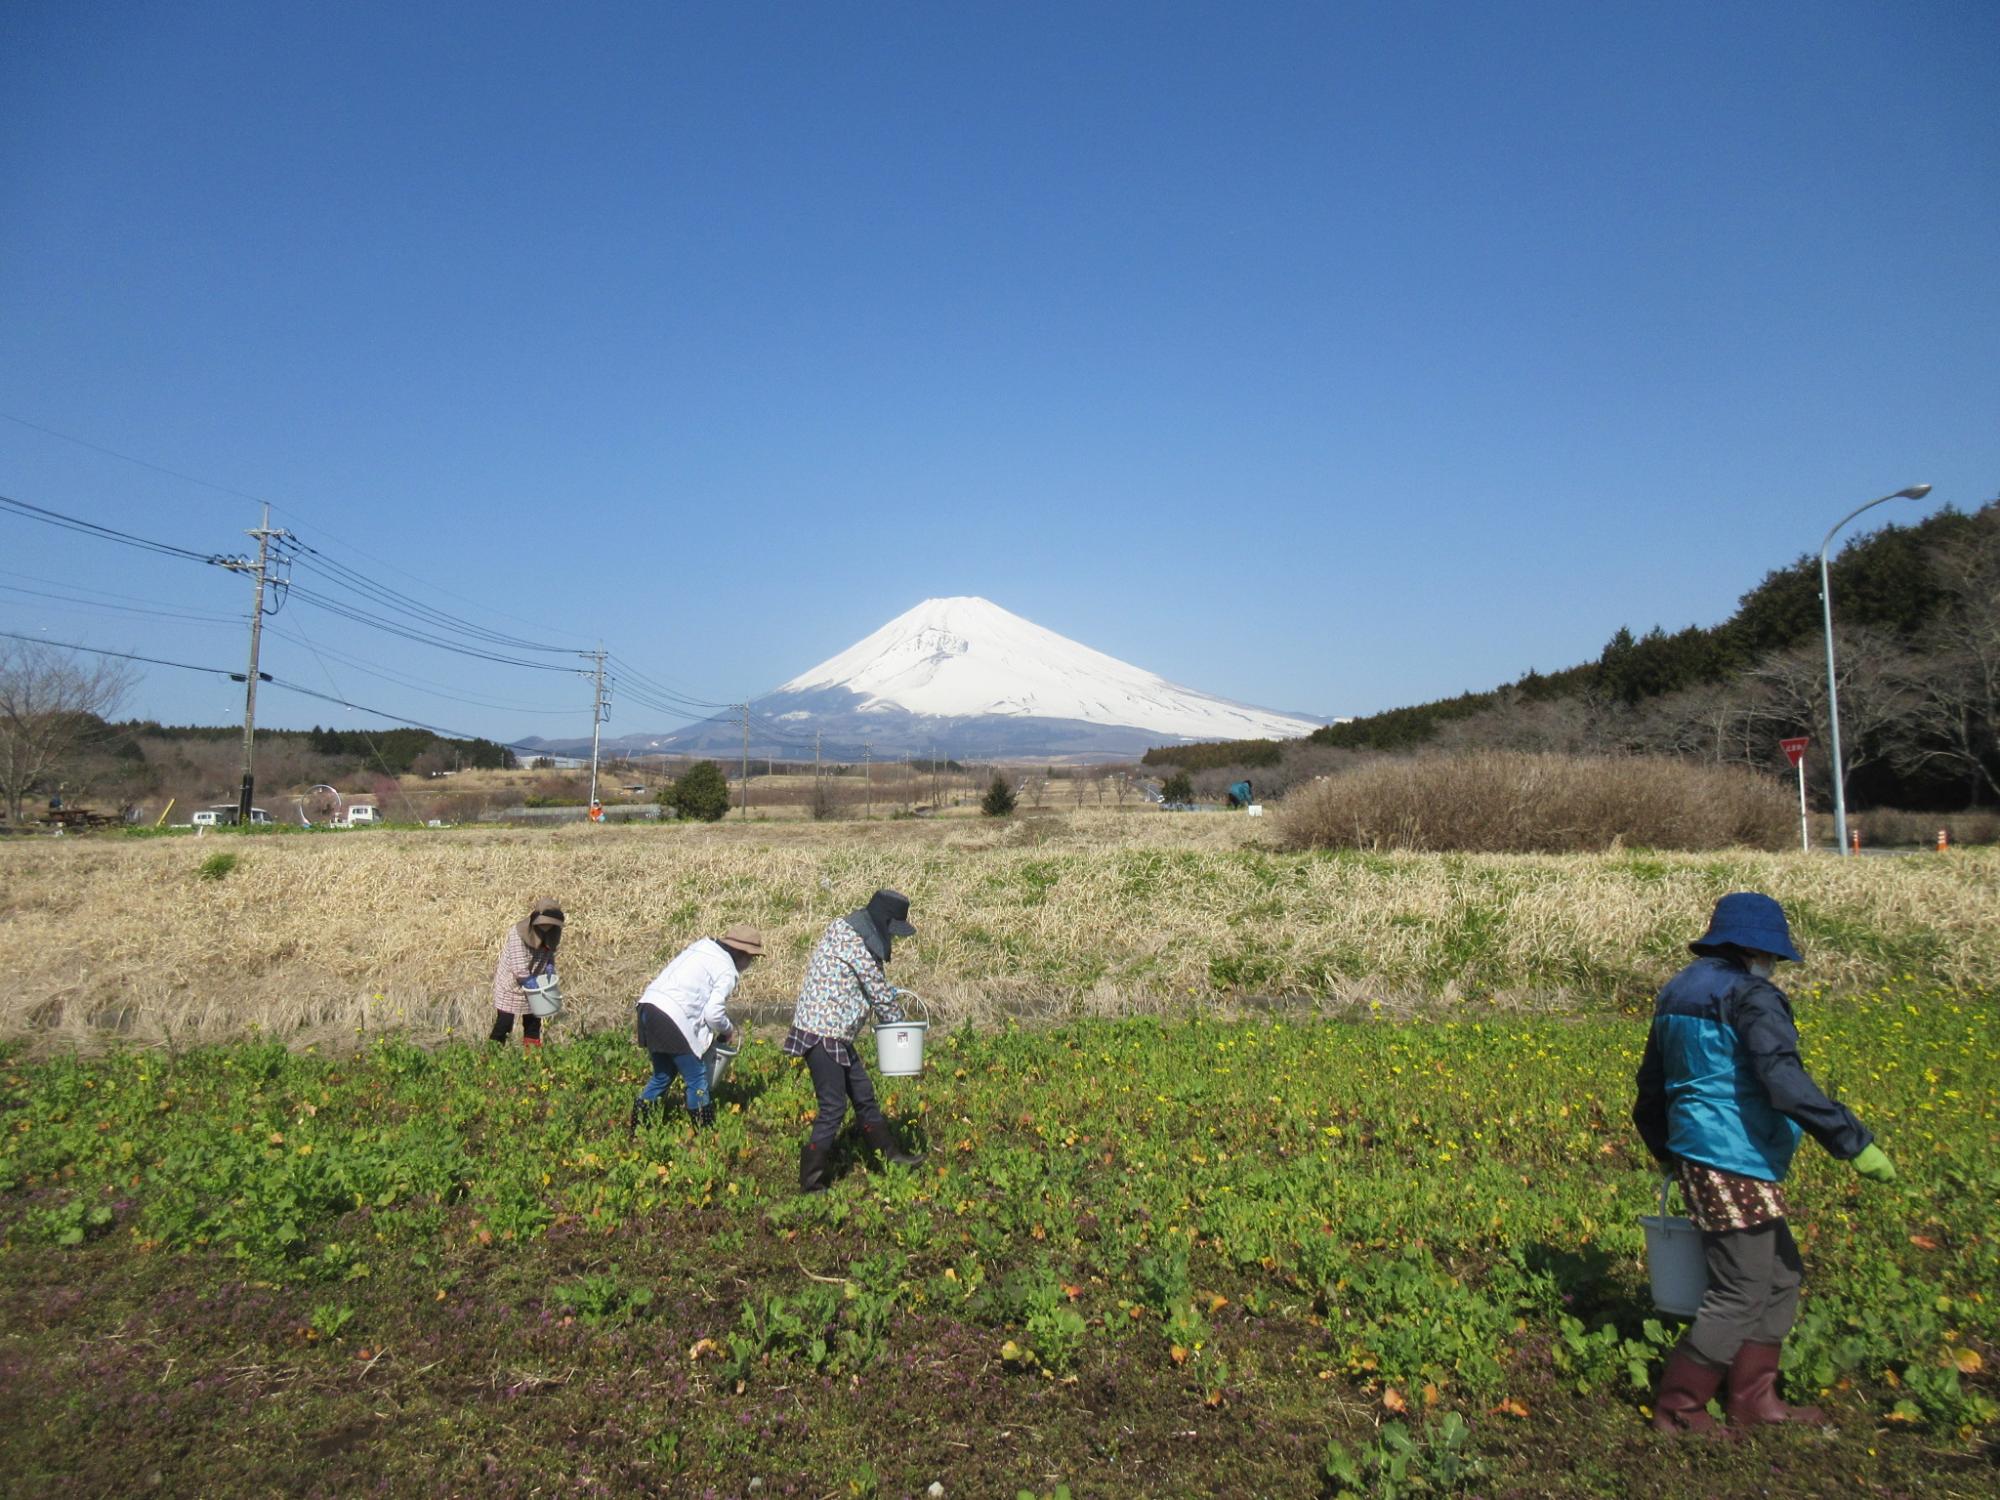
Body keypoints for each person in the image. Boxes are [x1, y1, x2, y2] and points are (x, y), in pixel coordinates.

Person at [1632, 891, 1896, 1435]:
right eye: (1772, 956)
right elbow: (1783, 1080)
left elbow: (1650, 1085)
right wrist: (1852, 1141)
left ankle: (1755, 1401)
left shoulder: (1678, 990)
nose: (1773, 966)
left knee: (1780, 1275)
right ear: (1755, 948)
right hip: (1733, 1155)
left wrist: (1664, 1149)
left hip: (1704, 1153)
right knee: (1741, 1287)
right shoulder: (1751, 997)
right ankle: (1678, 1410)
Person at [783, 889, 923, 1192]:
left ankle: (890, 1157)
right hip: (824, 1035)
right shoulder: (857, 946)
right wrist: (901, 1031)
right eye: (892, 930)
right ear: (883, 923)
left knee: (863, 1095)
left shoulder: (844, 932)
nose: (892, 937)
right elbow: (879, 994)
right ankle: (812, 1183)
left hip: (831, 1033)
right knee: (833, 1107)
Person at [631, 924, 764, 1131]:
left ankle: (638, 1129)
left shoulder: (703, 946)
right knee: (697, 1078)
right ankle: (705, 1134)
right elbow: (713, 1013)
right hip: (672, 1016)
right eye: (751, 959)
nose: (749, 964)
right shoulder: (727, 970)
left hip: (649, 1007)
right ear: (741, 953)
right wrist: (727, 1029)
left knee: (663, 1074)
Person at [492, 899, 564, 1048]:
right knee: (504, 1023)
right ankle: (491, 1055)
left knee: (533, 1024)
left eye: (550, 923)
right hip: (511, 984)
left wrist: (550, 967)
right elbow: (519, 967)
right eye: (544, 922)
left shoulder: (552, 933)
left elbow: (550, 954)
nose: (547, 926)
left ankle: (532, 1059)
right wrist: (530, 983)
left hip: (535, 983)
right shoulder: (518, 933)